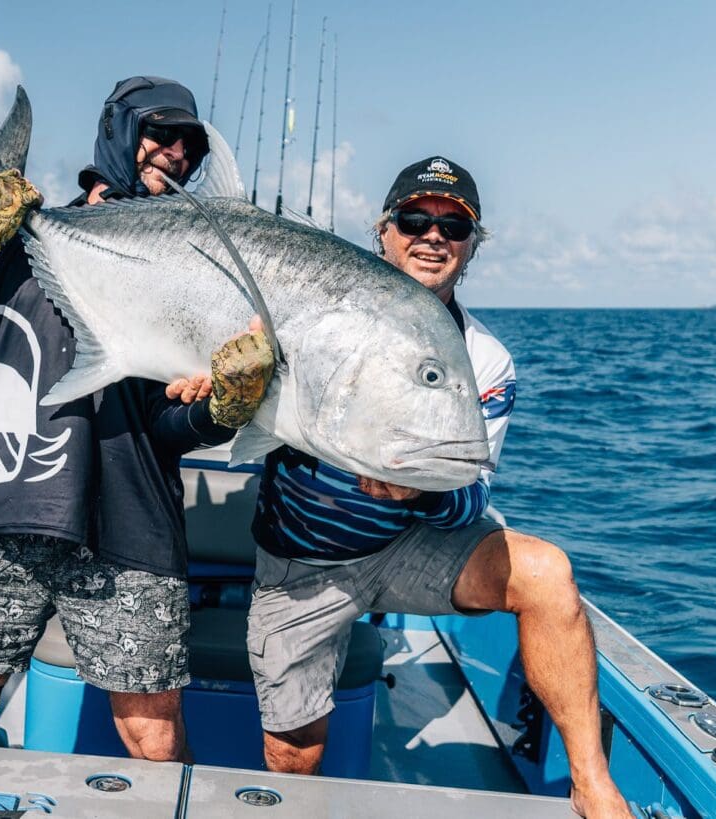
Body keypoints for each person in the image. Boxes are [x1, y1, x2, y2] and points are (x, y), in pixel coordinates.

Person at [244, 158, 630, 817]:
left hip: (412, 545)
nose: (433, 235)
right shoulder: (314, 319)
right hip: (306, 561)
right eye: (415, 219)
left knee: (547, 574)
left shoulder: (486, 357)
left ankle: (591, 782)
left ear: (472, 247)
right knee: (293, 751)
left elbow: (475, 492)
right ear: (384, 232)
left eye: (454, 225)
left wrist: (418, 493)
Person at [0, 76, 273, 763]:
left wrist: (221, 410)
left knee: (153, 734)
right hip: (5, 497)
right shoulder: (19, 243)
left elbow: (168, 425)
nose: (176, 153)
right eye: (160, 134)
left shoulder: (191, 270)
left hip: (132, 518)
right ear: (119, 131)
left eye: (189, 144)